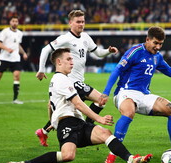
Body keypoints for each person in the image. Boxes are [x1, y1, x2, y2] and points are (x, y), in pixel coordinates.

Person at [6, 48, 152, 163]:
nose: (72, 62)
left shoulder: (61, 80)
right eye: (69, 59)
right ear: (59, 62)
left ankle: (131, 160)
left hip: (78, 123)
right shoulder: (60, 79)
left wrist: (51, 121)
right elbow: (78, 104)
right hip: (67, 124)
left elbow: (49, 104)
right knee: (68, 156)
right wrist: (98, 118)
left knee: (105, 133)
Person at [99, 26, 171, 163]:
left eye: (161, 44)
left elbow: (169, 71)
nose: (158, 47)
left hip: (144, 94)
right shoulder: (135, 52)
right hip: (125, 92)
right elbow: (117, 70)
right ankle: (111, 156)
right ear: (147, 39)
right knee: (129, 113)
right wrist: (106, 92)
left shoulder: (157, 56)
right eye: (155, 43)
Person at [35, 10, 118, 147]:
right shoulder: (65, 38)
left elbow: (98, 53)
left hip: (79, 81)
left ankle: (43, 131)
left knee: (67, 110)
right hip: (71, 82)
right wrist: (41, 70)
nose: (81, 24)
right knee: (101, 99)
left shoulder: (85, 37)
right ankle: (88, 126)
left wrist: (108, 51)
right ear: (70, 23)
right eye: (78, 22)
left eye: (83, 21)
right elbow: (45, 50)